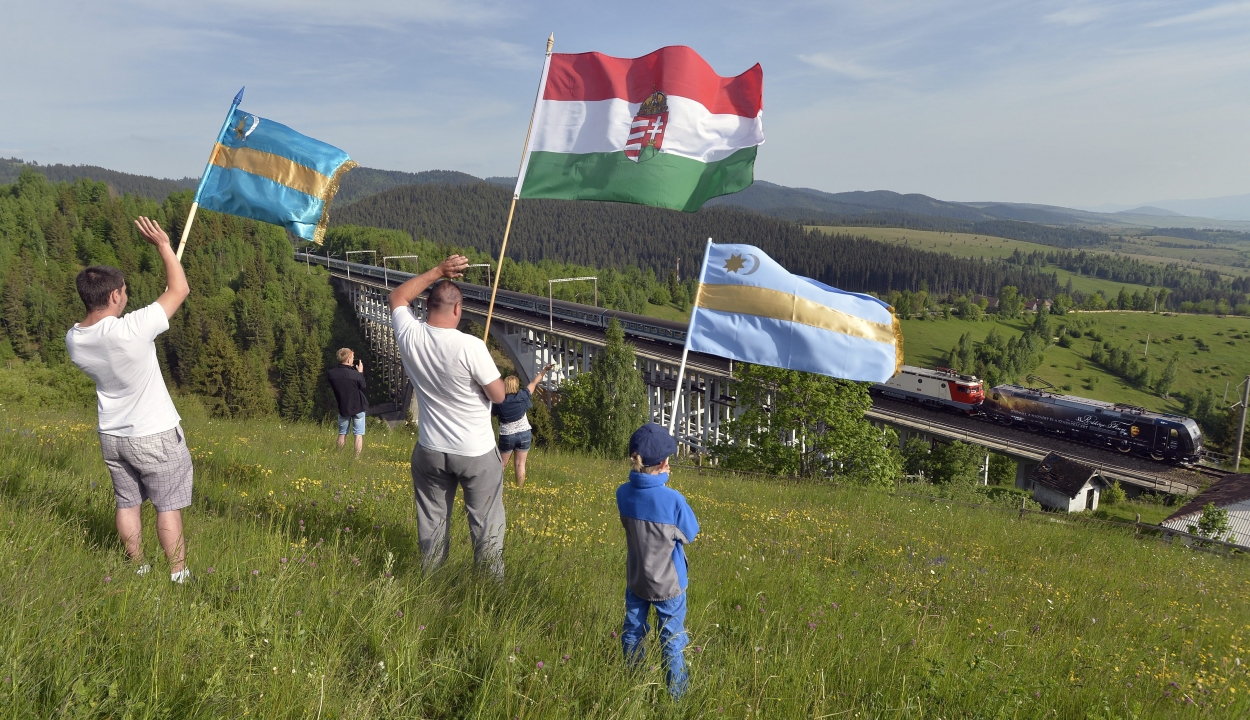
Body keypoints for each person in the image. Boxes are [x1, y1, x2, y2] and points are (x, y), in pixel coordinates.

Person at [65, 216, 193, 584]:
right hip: (154, 434)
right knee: (167, 507)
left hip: (113, 434)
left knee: (127, 502)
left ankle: (138, 566)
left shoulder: (74, 339)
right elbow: (179, 289)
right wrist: (165, 246)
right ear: (113, 296)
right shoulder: (132, 329)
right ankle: (179, 575)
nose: (127, 295)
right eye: (124, 291)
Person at [388, 254, 507, 577]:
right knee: (486, 530)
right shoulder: (471, 346)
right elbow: (498, 395)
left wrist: (438, 271)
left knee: (432, 527)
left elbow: (398, 296)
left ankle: (432, 586)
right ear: (458, 309)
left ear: (427, 306)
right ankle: (489, 594)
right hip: (475, 452)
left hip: (430, 449)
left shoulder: (410, 335)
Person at [616, 423, 699, 699]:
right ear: (663, 463)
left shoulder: (622, 493)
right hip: (669, 585)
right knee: (672, 640)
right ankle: (677, 696)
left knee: (632, 630)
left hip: (637, 578)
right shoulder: (673, 500)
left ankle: (632, 684)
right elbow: (690, 533)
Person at [493, 363, 554, 488]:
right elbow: (534, 382)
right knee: (520, 464)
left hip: (507, 435)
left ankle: (496, 490)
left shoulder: (499, 402)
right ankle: (519, 489)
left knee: (501, 465)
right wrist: (545, 370)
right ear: (516, 386)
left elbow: (490, 414)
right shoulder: (522, 396)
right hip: (525, 434)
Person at [327, 347, 369, 458]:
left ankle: (339, 456)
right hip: (358, 406)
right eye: (353, 358)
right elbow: (363, 386)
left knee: (342, 433)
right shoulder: (355, 375)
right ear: (349, 358)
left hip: (343, 407)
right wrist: (360, 373)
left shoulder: (331, 374)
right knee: (358, 434)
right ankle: (357, 458)